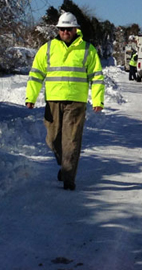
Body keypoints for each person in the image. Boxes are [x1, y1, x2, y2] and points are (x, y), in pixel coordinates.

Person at [25, 11, 105, 191]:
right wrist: (31, 97)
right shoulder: (47, 48)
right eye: (62, 29)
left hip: (76, 103)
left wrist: (97, 100)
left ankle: (69, 178)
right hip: (53, 101)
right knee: (53, 140)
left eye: (68, 29)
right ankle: (64, 165)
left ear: (76, 29)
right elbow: (36, 74)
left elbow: (97, 77)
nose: (65, 32)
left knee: (72, 141)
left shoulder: (87, 49)